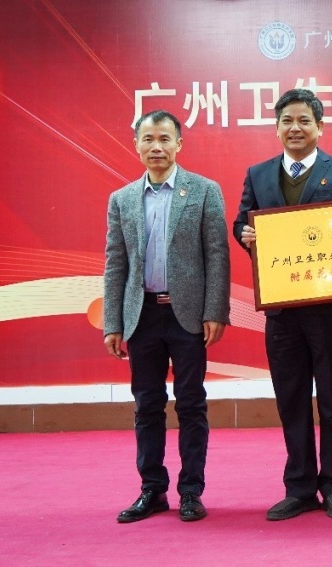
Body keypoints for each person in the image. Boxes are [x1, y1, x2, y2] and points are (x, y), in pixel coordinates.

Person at [234, 88, 332, 520]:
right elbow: (242, 223)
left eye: (304, 120)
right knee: (290, 399)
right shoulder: (258, 175)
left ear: (319, 126)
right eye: (287, 120)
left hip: (329, 308)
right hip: (282, 308)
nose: (295, 128)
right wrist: (245, 235)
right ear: (276, 128)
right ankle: (300, 487)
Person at [104, 110, 231, 523]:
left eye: (164, 139)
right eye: (148, 139)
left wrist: (215, 310)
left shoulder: (204, 191)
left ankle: (191, 491)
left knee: (191, 403)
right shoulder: (122, 199)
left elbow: (217, 255)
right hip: (140, 315)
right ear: (136, 145)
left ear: (179, 144)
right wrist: (112, 322)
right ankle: (152, 489)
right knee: (147, 405)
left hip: (187, 315)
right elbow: (115, 263)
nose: (156, 147)